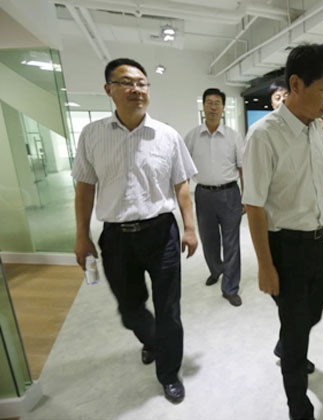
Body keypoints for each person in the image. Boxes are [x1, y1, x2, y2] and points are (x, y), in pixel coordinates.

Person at [242, 44, 323, 420]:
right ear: (296, 84)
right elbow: (254, 204)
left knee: (315, 309)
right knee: (297, 332)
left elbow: (314, 176)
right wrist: (265, 266)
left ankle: (287, 345)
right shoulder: (264, 135)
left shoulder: (313, 127)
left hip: (315, 243)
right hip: (285, 246)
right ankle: (299, 406)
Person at [72, 58, 198, 403]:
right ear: (109, 89)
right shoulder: (92, 135)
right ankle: (152, 340)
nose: (136, 89)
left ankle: (169, 373)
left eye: (142, 83)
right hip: (116, 237)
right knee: (130, 310)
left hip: (161, 233)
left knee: (169, 309)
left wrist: (189, 228)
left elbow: (182, 185)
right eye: (126, 82)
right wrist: (82, 235)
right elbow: (84, 189)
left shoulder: (167, 135)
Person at [184, 88, 244, 307]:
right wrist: (183, 200)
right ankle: (216, 269)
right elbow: (183, 170)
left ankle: (230, 287)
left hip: (230, 194)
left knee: (231, 243)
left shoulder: (233, 136)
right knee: (209, 240)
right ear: (203, 106)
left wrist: (246, 196)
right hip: (203, 195)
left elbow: (242, 167)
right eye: (209, 102)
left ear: (223, 108)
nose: (213, 107)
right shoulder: (192, 137)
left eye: (217, 103)